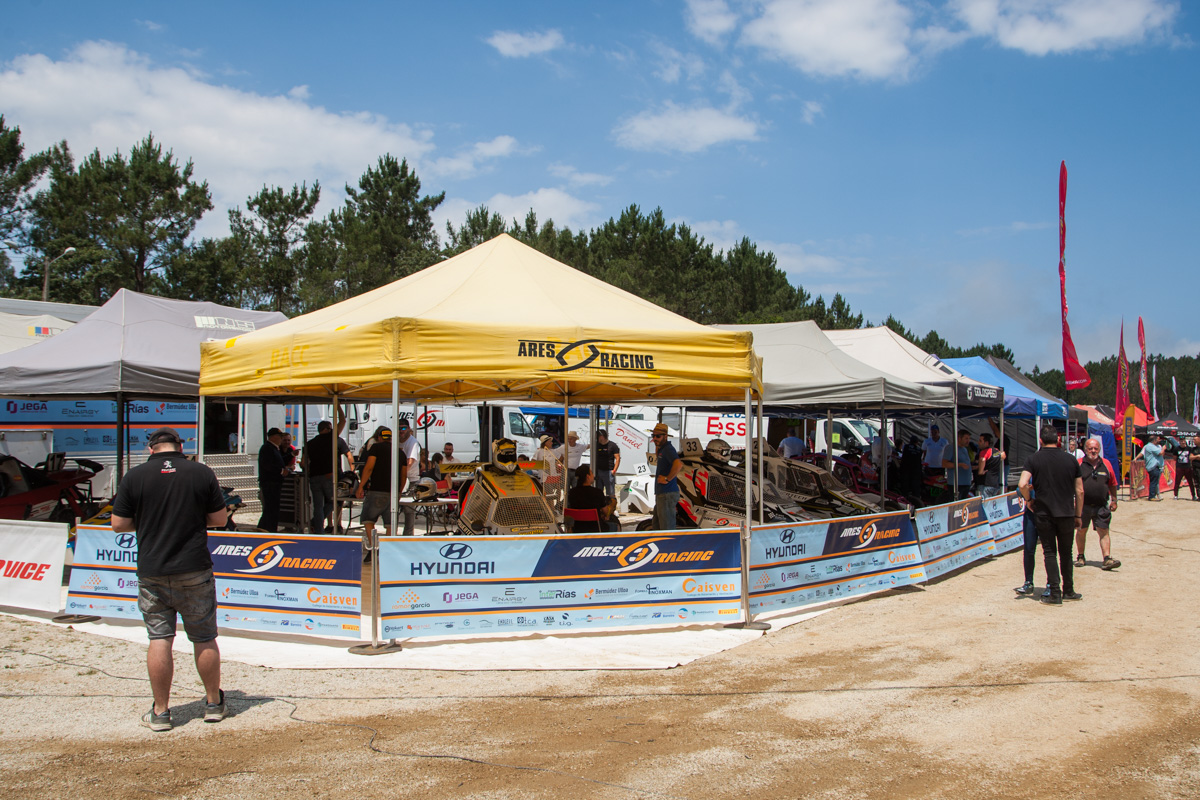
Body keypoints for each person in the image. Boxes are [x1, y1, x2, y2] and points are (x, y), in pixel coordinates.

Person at [110, 427, 229, 732]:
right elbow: (220, 519)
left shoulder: (134, 476)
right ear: (180, 446)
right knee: (204, 637)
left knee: (160, 638)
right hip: (193, 567)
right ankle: (213, 703)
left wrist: (148, 520)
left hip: (153, 568)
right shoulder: (201, 472)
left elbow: (118, 524)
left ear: (151, 449)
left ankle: (161, 711)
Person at [1018, 424, 1084, 605]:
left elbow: (1022, 484)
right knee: (1066, 553)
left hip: (1044, 513)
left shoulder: (1033, 459)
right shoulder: (1071, 460)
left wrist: (1029, 500)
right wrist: (1078, 515)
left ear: (1040, 440)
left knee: (1049, 552)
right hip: (1066, 513)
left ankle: (1055, 593)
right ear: (1058, 440)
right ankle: (1068, 590)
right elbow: (1080, 491)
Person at [1075, 437, 1121, 571]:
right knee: (1081, 531)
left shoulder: (1106, 463)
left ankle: (1107, 558)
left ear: (1099, 449)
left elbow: (1112, 483)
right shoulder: (1078, 464)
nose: (1093, 451)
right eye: (1090, 448)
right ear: (1085, 449)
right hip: (1083, 506)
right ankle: (1081, 556)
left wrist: (1114, 500)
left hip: (1101, 505)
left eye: (1096, 448)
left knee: (1104, 531)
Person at [302, 419, 352, 534]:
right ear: (326, 429)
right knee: (336, 501)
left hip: (314, 477)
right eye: (330, 429)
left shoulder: (310, 443)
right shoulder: (332, 439)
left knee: (318, 506)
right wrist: (339, 408)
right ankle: (315, 522)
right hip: (329, 477)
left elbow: (304, 463)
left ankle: (319, 530)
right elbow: (343, 420)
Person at [567, 464, 617, 533]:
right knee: (615, 526)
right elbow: (606, 512)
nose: (593, 476)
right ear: (588, 476)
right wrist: (613, 503)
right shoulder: (597, 492)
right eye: (592, 473)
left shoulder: (572, 493)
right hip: (596, 529)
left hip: (577, 529)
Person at [651, 422, 683, 530]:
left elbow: (678, 464)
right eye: (653, 436)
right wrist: (657, 446)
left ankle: (669, 541)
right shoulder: (663, 448)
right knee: (657, 526)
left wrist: (667, 479)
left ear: (665, 436)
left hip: (667, 493)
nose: (655, 438)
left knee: (666, 528)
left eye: (658, 436)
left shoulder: (668, 449)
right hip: (663, 493)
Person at [257, 427, 287, 531]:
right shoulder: (267, 448)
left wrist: (291, 455)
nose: (281, 439)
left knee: (272, 507)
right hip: (270, 483)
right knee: (271, 507)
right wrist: (281, 471)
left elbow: (279, 461)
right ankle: (268, 528)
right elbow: (267, 465)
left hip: (275, 483)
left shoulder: (274, 448)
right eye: (280, 437)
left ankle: (265, 527)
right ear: (273, 437)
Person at [942, 429, 973, 499]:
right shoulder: (951, 448)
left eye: (969, 439)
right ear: (959, 438)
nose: (968, 441)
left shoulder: (965, 449)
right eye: (966, 438)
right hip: (956, 484)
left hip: (966, 483)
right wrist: (959, 465)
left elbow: (966, 464)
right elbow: (944, 464)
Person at [1134, 435, 1165, 501]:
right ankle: (1152, 496)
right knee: (1154, 482)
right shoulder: (1150, 446)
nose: (1159, 440)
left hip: (1158, 466)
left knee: (1155, 482)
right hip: (1153, 466)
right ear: (1154, 440)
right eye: (1158, 439)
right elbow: (1160, 453)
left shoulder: (1157, 446)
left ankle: (1156, 495)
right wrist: (1164, 448)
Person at [975, 432, 1004, 499]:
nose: (978, 442)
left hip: (985, 484)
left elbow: (982, 460)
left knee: (984, 503)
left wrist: (980, 471)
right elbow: (1002, 456)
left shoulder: (984, 452)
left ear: (986, 443)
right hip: (995, 483)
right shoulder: (996, 451)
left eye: (980, 441)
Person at [594, 429, 621, 498]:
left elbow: (617, 458)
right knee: (598, 492)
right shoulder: (597, 445)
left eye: (597, 436)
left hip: (609, 471)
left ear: (602, 436)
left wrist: (614, 470)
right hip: (598, 471)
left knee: (610, 492)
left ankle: (611, 503)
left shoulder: (613, 445)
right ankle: (600, 504)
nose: (596, 438)